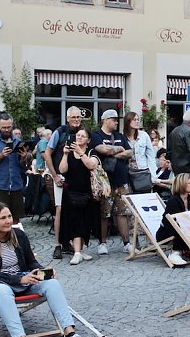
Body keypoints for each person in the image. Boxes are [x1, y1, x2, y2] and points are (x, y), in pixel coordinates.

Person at [0, 202, 87, 337]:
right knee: (2, 290)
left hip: (22, 280)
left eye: (9, 216)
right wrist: (19, 279)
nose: (8, 221)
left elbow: (30, 261)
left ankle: (69, 333)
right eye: (3, 218)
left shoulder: (18, 235)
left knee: (52, 283)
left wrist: (42, 271)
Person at [89, 110, 133, 255]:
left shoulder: (119, 136)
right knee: (104, 213)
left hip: (121, 180)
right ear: (106, 120)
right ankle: (102, 242)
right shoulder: (96, 135)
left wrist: (115, 151)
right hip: (105, 182)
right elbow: (102, 149)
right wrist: (120, 149)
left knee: (122, 212)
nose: (116, 122)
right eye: (114, 120)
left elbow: (130, 152)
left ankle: (126, 243)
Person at [43, 106, 84, 259]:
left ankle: (73, 244)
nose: (76, 120)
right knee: (60, 210)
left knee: (76, 211)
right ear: (67, 118)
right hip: (61, 177)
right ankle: (57, 245)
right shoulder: (59, 132)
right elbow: (47, 154)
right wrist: (54, 176)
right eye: (73, 117)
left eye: (79, 117)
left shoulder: (82, 133)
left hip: (76, 178)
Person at [58, 129, 100, 265]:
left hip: (86, 192)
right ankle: (76, 252)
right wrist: (65, 154)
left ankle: (80, 250)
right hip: (71, 192)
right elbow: (62, 170)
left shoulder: (91, 152)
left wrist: (81, 153)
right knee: (75, 222)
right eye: (78, 136)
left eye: (83, 136)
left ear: (88, 140)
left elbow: (91, 165)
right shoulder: (69, 152)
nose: (79, 138)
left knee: (84, 222)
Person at [0, 113, 28, 224]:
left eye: (9, 127)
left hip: (16, 185)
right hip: (0, 186)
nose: (7, 130)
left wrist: (24, 158)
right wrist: (1, 155)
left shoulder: (18, 142)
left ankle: (14, 239)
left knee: (15, 219)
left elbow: (22, 166)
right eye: (4, 128)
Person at [154, 173, 190, 267]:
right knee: (182, 227)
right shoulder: (173, 201)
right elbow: (175, 223)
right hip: (167, 232)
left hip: (183, 229)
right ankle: (175, 252)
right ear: (182, 185)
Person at [123, 111, 159, 188]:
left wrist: (153, 175)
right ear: (128, 121)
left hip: (142, 171)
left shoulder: (143, 135)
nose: (137, 121)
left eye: (138, 119)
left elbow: (150, 156)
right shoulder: (122, 137)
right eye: (134, 120)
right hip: (128, 172)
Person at [167, 109, 190, 182]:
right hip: (188, 170)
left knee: (181, 191)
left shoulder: (174, 131)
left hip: (177, 171)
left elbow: (169, 151)